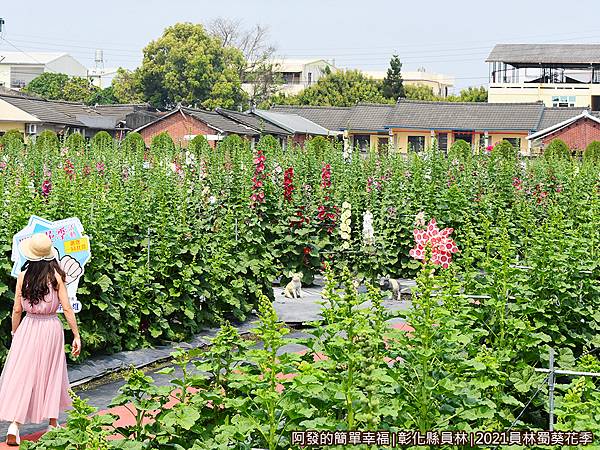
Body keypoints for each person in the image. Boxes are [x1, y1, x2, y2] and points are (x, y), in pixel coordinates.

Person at [0, 233, 81, 446]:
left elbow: (17, 309)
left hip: (28, 326)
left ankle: (14, 426)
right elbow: (66, 308)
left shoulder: (23, 275)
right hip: (51, 327)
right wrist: (76, 334)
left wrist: (15, 333)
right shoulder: (56, 275)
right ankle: (53, 424)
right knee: (52, 372)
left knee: (24, 374)